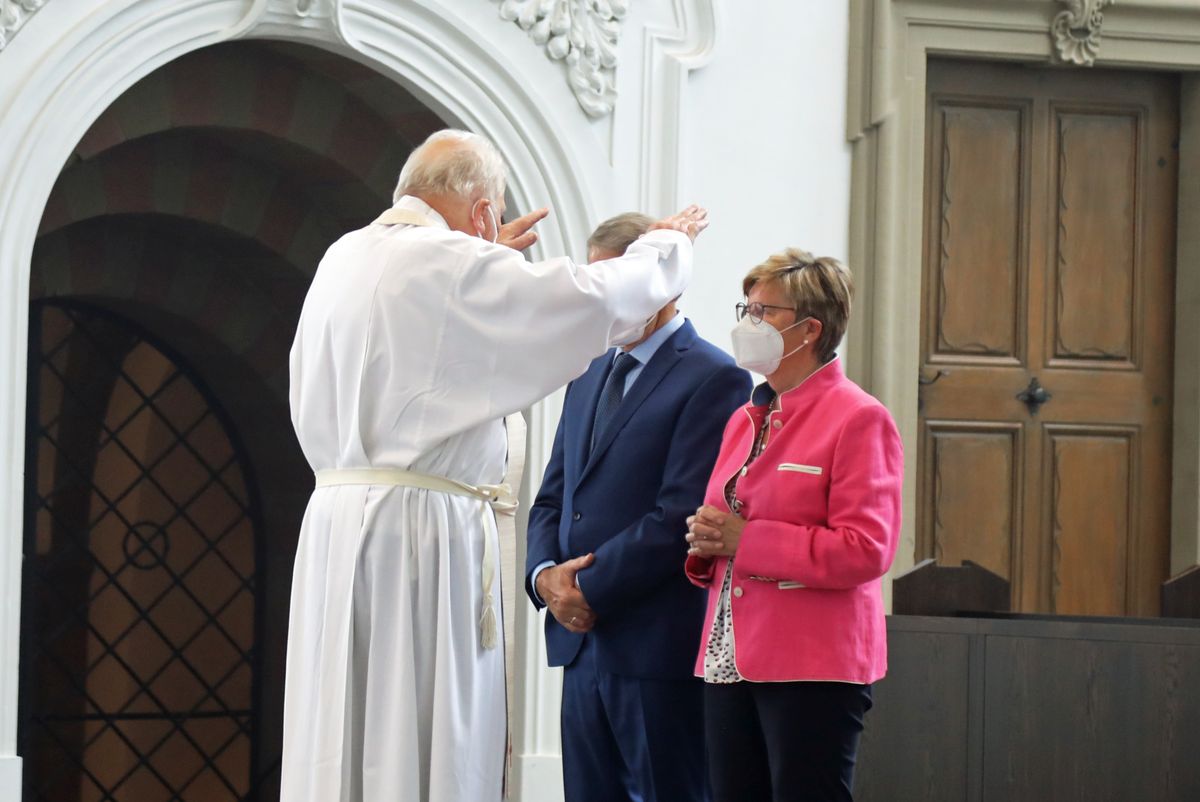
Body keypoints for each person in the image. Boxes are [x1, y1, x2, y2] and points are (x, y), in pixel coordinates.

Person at [283, 128, 709, 802]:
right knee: (417, 733)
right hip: (417, 538)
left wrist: (484, 271)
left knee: (346, 727)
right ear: (483, 212)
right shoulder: (448, 264)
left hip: (336, 530)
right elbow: (595, 299)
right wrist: (668, 244)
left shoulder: (347, 255)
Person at [525, 213, 751, 802]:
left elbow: (679, 514)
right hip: (579, 645)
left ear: (661, 284)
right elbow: (554, 495)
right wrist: (545, 578)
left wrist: (586, 590)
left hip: (652, 646)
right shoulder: (589, 369)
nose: (603, 302)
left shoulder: (714, 376)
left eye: (616, 282)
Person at [684, 249, 903, 802]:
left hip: (813, 661)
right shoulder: (745, 416)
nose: (746, 324)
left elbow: (865, 549)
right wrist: (708, 542)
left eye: (763, 312)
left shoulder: (859, 417)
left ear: (809, 330)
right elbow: (731, 517)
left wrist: (745, 540)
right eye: (746, 308)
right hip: (729, 650)